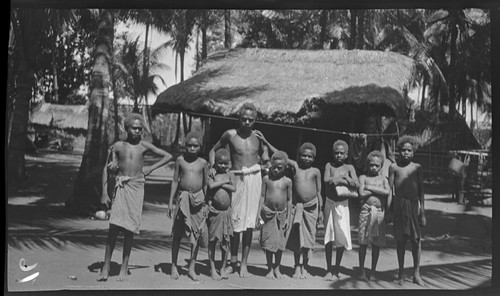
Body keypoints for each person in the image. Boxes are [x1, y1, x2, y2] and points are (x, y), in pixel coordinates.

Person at [98, 113, 172, 282]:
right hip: (121, 187)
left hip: (137, 187)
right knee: (114, 228)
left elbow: (168, 156)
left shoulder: (144, 146)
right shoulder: (117, 146)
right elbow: (106, 169)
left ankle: (124, 267)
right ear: (127, 128)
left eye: (140, 128)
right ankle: (106, 266)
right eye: (134, 128)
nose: (137, 131)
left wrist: (150, 168)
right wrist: (104, 193)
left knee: (130, 229)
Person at [208, 102, 270, 278]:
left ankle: (244, 264)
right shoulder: (230, 134)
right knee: (234, 222)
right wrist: (213, 167)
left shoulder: (258, 137)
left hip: (254, 179)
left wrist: (265, 145)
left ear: (255, 120)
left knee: (249, 224)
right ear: (239, 118)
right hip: (235, 179)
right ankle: (232, 261)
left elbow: (266, 159)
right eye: (244, 119)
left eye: (251, 119)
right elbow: (213, 150)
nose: (247, 122)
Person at [255, 136, 323, 280]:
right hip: (298, 208)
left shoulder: (316, 171)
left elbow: (318, 192)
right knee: (298, 238)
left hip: (312, 209)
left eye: (309, 156)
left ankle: (304, 266)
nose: (306, 158)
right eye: (303, 155)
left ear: (314, 158)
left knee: (309, 239)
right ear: (299, 156)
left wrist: (321, 210)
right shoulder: (295, 168)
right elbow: (281, 154)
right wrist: (266, 141)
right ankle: (297, 267)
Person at [168, 131, 209, 281]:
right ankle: (173, 265)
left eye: (195, 146)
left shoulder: (203, 163)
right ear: (185, 146)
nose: (192, 148)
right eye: (189, 145)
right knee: (177, 234)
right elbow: (174, 181)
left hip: (198, 200)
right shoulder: (180, 160)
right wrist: (170, 202)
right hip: (183, 199)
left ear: (200, 147)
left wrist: (206, 204)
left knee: (195, 235)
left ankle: (191, 267)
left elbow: (205, 184)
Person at [388, 135, 426, 286]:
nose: (406, 153)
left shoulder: (417, 168)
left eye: (409, 150)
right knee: (400, 241)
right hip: (399, 207)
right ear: (399, 151)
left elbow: (422, 190)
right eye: (403, 150)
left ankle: (416, 273)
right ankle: (401, 273)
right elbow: (390, 190)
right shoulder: (394, 167)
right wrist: (389, 211)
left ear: (413, 152)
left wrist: (422, 212)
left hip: (414, 206)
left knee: (416, 241)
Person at [323, 139, 359, 281]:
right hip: (329, 203)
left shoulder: (350, 167)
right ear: (333, 154)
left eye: (341, 153)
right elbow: (327, 180)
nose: (338, 155)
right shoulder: (329, 165)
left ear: (346, 155)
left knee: (341, 236)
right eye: (336, 153)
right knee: (328, 237)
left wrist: (343, 179)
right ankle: (328, 268)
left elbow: (356, 183)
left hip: (343, 204)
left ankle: (337, 269)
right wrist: (342, 177)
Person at [256, 151, 293, 280]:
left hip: (282, 215)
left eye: (280, 168)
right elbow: (262, 196)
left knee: (279, 243)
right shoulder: (266, 179)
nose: (276, 170)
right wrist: (258, 214)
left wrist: (288, 218)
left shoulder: (287, 182)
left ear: (285, 168)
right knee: (269, 243)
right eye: (274, 167)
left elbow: (289, 201)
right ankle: (269, 268)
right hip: (268, 214)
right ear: (271, 165)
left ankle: (277, 267)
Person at [357, 150, 390, 281]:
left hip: (379, 212)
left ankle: (373, 271)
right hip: (366, 211)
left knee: (376, 243)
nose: (374, 167)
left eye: (377, 165)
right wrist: (378, 192)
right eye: (371, 165)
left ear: (381, 166)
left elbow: (387, 193)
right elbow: (361, 194)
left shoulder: (383, 179)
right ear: (367, 164)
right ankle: (361, 270)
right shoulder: (363, 178)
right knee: (363, 242)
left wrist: (369, 189)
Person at [206, 148, 236, 280]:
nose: (223, 166)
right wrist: (224, 182)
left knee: (225, 242)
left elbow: (233, 188)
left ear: (229, 163)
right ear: (215, 163)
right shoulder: (212, 173)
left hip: (226, 213)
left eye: (226, 163)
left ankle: (222, 268)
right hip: (214, 212)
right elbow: (211, 187)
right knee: (212, 241)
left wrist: (220, 184)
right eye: (220, 163)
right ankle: (212, 269)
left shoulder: (231, 174)